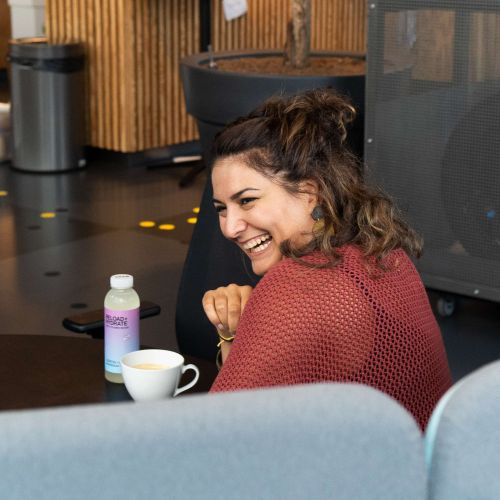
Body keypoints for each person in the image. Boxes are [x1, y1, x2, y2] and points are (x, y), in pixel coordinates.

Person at [202, 88, 452, 429]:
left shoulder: (298, 289)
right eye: (221, 209)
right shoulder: (385, 257)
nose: (230, 227)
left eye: (247, 201)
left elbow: (219, 430)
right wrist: (236, 332)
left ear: (310, 193)